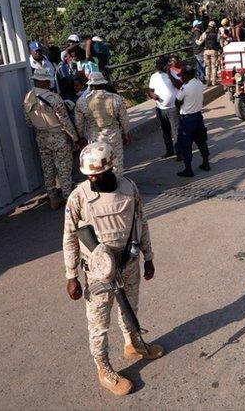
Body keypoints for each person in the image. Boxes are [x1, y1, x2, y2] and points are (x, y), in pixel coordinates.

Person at [62, 142, 163, 397]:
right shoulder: (78, 197)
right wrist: (71, 275)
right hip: (97, 271)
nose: (92, 179)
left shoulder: (129, 188)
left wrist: (148, 256)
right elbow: (69, 237)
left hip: (128, 264)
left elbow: (142, 223)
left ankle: (133, 343)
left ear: (111, 168)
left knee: (130, 307)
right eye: (88, 175)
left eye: (97, 174)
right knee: (99, 322)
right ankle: (103, 367)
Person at [24, 68, 84, 209]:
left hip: (41, 137)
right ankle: (68, 198)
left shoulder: (27, 98)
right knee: (63, 167)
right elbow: (65, 121)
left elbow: (28, 122)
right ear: (44, 81)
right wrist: (75, 138)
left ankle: (53, 199)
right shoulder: (53, 98)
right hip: (58, 136)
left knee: (48, 168)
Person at [75, 73, 131, 173]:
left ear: (91, 86)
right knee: (116, 163)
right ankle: (118, 184)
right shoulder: (116, 98)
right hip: (114, 134)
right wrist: (126, 133)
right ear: (104, 84)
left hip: (95, 137)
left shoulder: (82, 101)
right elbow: (124, 119)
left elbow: (79, 124)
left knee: (100, 164)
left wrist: (81, 137)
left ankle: (104, 185)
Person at [175, 68, 211, 177]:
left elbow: (177, 102)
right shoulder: (199, 83)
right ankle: (206, 163)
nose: (181, 78)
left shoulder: (185, 87)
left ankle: (188, 169)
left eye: (182, 76)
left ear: (188, 75)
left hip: (187, 119)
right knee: (201, 141)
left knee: (186, 144)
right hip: (198, 116)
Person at [147, 56, 181, 160]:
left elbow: (179, 85)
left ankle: (179, 152)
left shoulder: (174, 73)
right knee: (165, 132)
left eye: (162, 64)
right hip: (160, 108)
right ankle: (169, 151)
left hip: (173, 108)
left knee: (176, 132)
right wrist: (153, 96)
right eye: (158, 65)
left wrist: (169, 74)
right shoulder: (154, 77)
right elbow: (150, 91)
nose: (160, 67)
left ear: (168, 64)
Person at [197, 21, 222, 85]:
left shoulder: (205, 33)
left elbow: (199, 42)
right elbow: (219, 43)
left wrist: (195, 40)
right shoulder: (217, 34)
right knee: (214, 66)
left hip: (206, 51)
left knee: (207, 67)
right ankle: (214, 81)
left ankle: (208, 81)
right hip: (214, 51)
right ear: (214, 27)